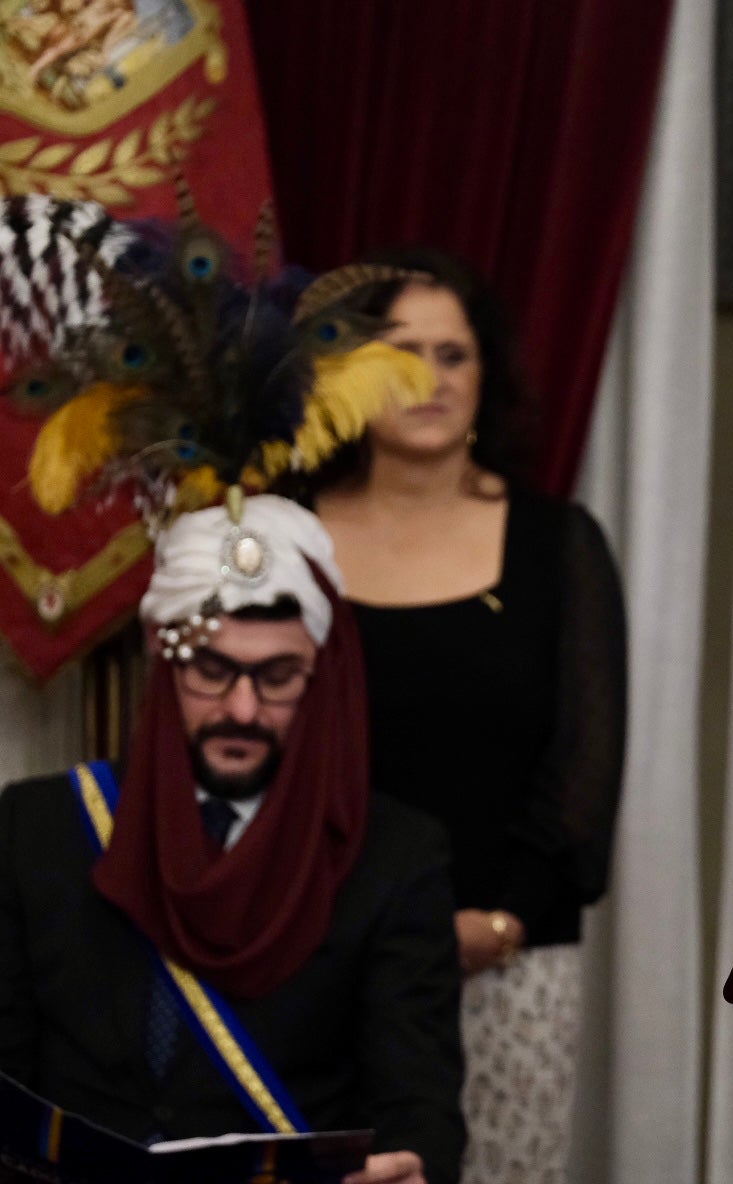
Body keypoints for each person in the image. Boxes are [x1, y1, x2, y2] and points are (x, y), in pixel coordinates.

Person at [0, 195, 465, 1184]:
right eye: (213, 669)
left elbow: (418, 1104)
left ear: (323, 675)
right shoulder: (37, 832)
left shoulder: (394, 858)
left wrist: (414, 1163)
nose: (244, 707)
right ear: (166, 664)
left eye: (277, 675)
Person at [310, 248, 626, 1184]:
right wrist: (329, 925)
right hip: (310, 958)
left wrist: (498, 927)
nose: (431, 379)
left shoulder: (555, 542)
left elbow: (584, 776)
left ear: (487, 377)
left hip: (504, 965)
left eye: (454, 354)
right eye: (400, 351)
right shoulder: (279, 531)